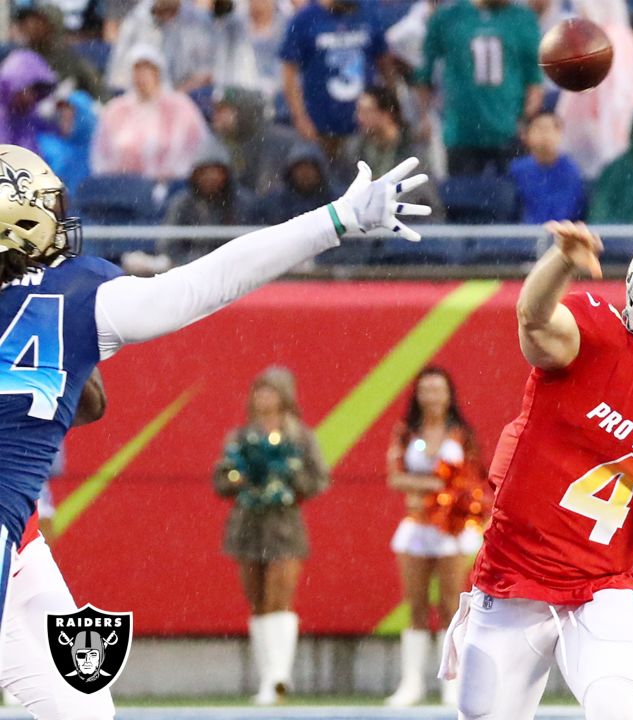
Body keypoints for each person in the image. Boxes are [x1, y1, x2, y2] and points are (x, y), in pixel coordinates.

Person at [0, 137, 429, 691]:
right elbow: (206, 282)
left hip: (23, 536)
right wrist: (337, 219)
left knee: (78, 706)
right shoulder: (76, 294)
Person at [440, 222, 633, 720]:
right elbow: (533, 321)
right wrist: (561, 261)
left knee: (615, 710)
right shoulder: (595, 338)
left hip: (602, 589)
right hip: (511, 579)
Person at [2, 372, 116, 719]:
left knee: (86, 699)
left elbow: (91, 405)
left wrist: (63, 343)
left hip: (22, 545)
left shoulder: (32, 324)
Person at [214, 366, 329, 705]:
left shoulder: (300, 436)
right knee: (257, 600)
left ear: (285, 397)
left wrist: (288, 482)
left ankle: (280, 675)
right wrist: (239, 479)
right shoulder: (239, 437)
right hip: (248, 523)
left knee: (281, 595)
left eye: (271, 391)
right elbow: (221, 478)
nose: (264, 398)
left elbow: (318, 478)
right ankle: (268, 678)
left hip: (284, 524)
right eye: (259, 391)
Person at [385, 366, 489, 708]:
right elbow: (395, 476)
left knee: (449, 605)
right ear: (417, 394)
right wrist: (431, 486)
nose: (431, 396)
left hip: (453, 529)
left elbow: (473, 480)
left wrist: (445, 492)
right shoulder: (405, 432)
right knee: (415, 605)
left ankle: (452, 682)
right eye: (425, 389)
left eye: (438, 389)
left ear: (449, 394)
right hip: (417, 526)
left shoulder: (461, 434)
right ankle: (412, 683)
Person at [417, 0, 543, 177]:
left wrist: (526, 121)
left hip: (508, 132)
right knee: (462, 200)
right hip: (462, 134)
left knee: (510, 199)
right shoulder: (449, 17)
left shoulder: (522, 18)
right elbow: (424, 72)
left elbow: (534, 81)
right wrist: (425, 116)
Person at [279, 0, 392, 161]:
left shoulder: (367, 12)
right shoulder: (305, 18)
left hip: (364, 125)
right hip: (321, 125)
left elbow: (385, 63)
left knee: (368, 175)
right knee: (327, 178)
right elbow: (289, 74)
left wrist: (390, 106)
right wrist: (300, 117)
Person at [554, 0, 633, 179]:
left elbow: (619, 92)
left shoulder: (613, 37)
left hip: (609, 120)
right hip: (592, 121)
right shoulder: (621, 36)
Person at [89, 45, 210, 182]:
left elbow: (197, 150)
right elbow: (100, 156)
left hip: (169, 186)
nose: (141, 76)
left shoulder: (181, 107)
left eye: (147, 69)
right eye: (137, 70)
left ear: (158, 73)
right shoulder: (116, 109)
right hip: (122, 187)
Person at [508, 110, 586, 224]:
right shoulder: (517, 170)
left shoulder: (571, 171)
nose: (544, 135)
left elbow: (567, 212)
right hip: (524, 236)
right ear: (526, 135)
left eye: (549, 129)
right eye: (539, 128)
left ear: (560, 134)